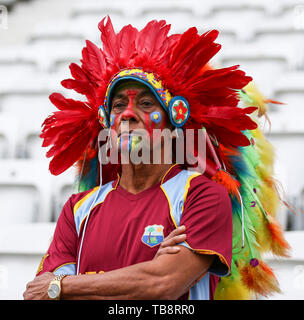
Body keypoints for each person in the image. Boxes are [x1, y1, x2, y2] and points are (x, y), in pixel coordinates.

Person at [24, 17, 290, 300]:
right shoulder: (77, 209)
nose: (127, 114)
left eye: (146, 103)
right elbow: (38, 294)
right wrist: (147, 273)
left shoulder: (203, 196)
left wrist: (63, 286)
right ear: (107, 124)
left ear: (173, 123)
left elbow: (163, 284)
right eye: (118, 105)